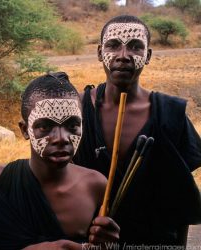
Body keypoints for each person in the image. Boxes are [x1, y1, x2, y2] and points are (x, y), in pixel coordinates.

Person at [74, 15, 201, 245]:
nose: (123, 56)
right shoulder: (77, 110)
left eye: (135, 47)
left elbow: (181, 196)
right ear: (100, 53)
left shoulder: (171, 114)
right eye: (113, 45)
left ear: (148, 56)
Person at [0, 72, 120, 250]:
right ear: (24, 130)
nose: (61, 138)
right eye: (45, 126)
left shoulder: (95, 185)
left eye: (72, 125)